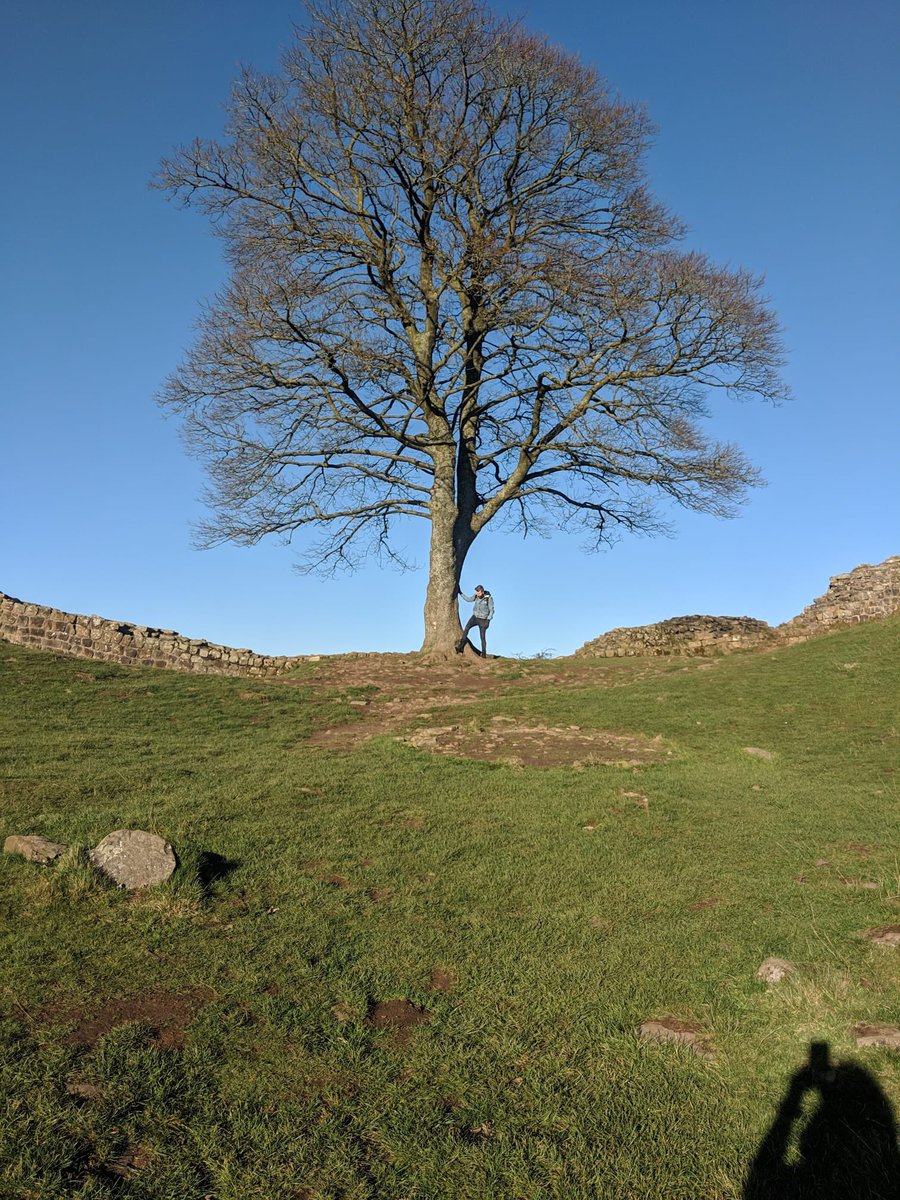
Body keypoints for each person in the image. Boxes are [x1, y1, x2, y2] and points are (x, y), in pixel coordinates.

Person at [456, 584, 495, 656]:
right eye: (476, 592)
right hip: (475, 617)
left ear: (482, 592)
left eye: (478, 592)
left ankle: (483, 654)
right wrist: (460, 593)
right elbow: (468, 599)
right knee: (466, 628)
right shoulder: (475, 596)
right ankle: (460, 647)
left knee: (482, 637)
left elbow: (492, 610)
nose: (477, 593)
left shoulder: (488, 598)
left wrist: (488, 620)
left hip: (483, 620)